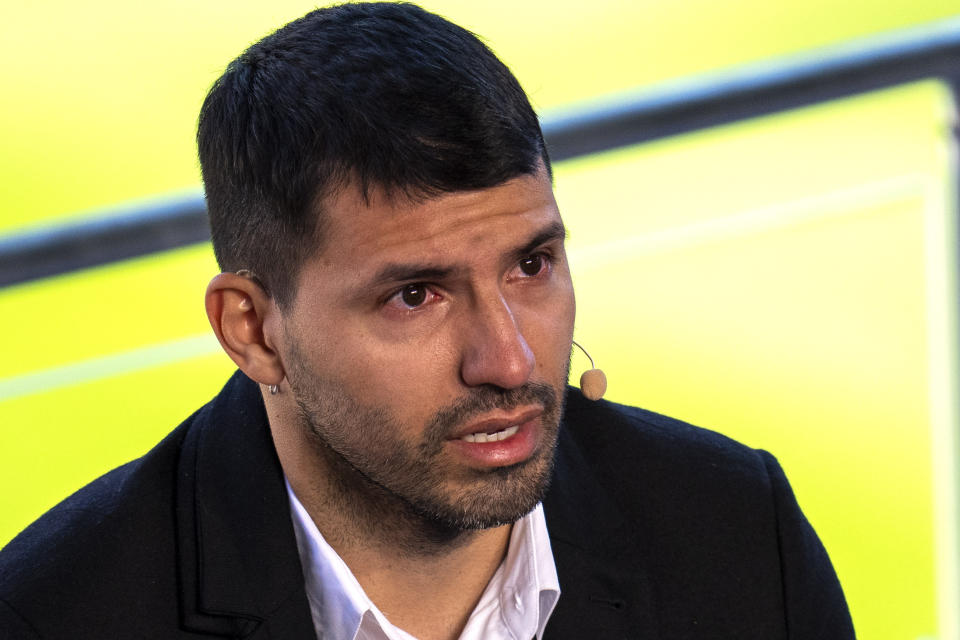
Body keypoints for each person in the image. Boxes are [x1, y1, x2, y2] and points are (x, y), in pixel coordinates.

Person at [0, 3, 854, 638]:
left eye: (531, 265)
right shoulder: (55, 613)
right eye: (415, 295)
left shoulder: (739, 533)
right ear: (253, 332)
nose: (511, 359)